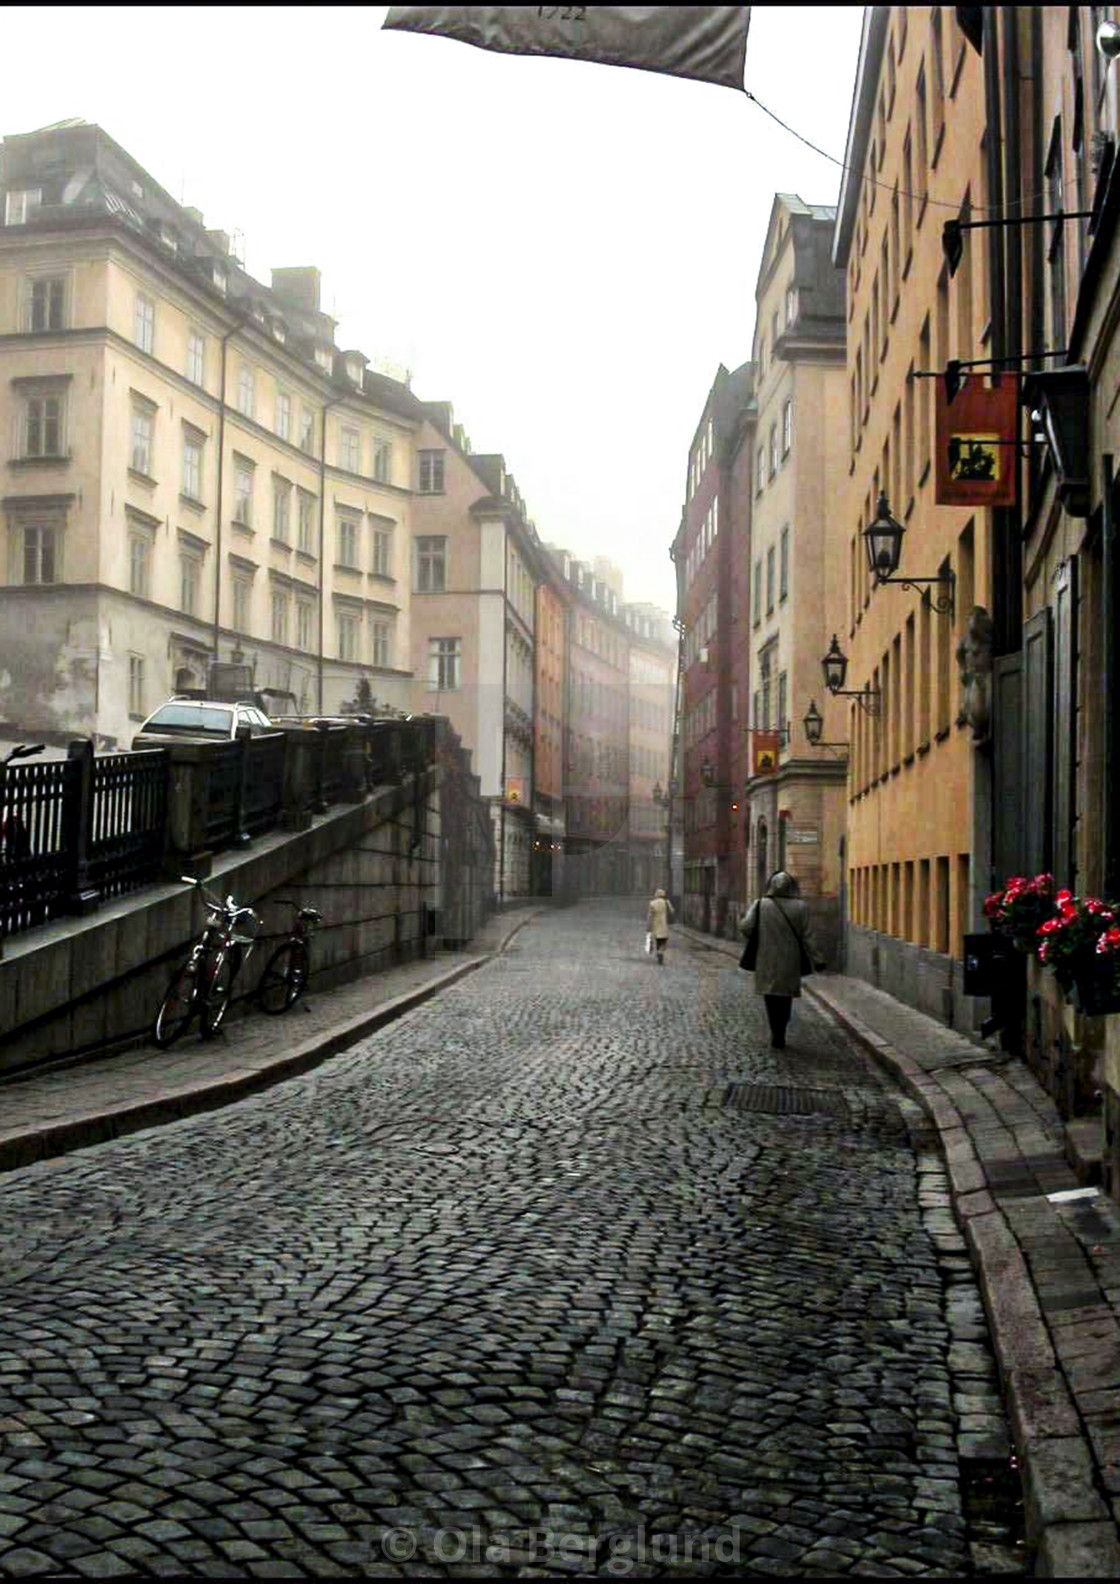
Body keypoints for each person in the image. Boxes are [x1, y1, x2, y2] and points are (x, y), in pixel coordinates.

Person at [738, 871, 824, 1049]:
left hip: (766, 958)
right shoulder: (800, 907)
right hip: (790, 960)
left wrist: (757, 934)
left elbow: (746, 927)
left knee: (770, 997)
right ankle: (782, 1030)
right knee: (785, 998)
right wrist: (817, 959)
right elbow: (808, 936)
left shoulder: (761, 904)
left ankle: (775, 1032)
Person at [647, 887, 674, 966]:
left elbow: (650, 915)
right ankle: (660, 953)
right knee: (662, 939)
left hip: (655, 924)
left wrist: (648, 925)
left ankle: (659, 953)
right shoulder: (666, 902)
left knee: (657, 939)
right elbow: (672, 911)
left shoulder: (652, 903)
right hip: (664, 924)